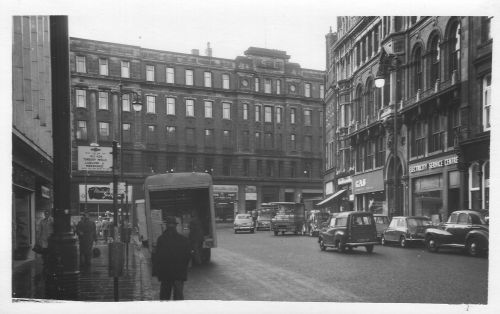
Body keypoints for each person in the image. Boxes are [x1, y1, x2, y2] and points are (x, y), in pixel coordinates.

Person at [153, 216, 191, 300]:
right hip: (178, 272)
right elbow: (187, 256)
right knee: (178, 297)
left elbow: (157, 257)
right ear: (176, 226)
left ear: (166, 226)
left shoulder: (161, 239)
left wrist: (156, 272)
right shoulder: (183, 240)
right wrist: (185, 267)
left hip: (166, 273)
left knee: (165, 296)